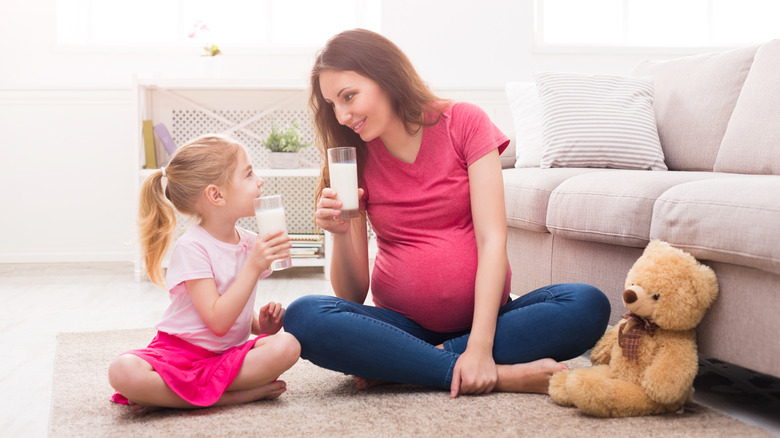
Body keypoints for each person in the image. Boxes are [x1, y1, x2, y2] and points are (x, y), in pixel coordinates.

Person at [282, 29, 611, 397]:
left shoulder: (464, 122)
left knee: (586, 303)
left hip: (489, 322)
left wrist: (480, 346)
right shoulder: (352, 159)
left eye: (349, 96)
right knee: (303, 316)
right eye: (332, 105)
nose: (342, 115)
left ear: (385, 75)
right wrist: (340, 235)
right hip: (400, 326)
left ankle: (406, 365)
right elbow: (352, 295)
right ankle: (494, 375)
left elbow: (492, 241)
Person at [108, 134, 300, 414]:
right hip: (180, 354)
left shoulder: (248, 241)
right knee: (123, 371)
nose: (259, 181)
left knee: (288, 345)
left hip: (224, 357)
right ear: (216, 195)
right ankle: (231, 396)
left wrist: (261, 325)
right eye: (248, 174)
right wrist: (254, 265)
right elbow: (217, 321)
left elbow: (235, 310)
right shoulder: (192, 246)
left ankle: (169, 396)